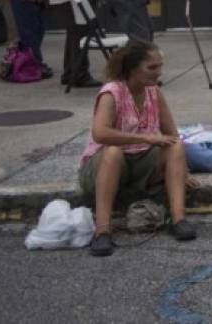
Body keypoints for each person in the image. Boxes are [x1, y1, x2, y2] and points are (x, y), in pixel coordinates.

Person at [79, 42, 197, 256]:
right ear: (133, 68)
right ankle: (102, 231)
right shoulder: (111, 92)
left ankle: (179, 219)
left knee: (175, 145)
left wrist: (182, 170)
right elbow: (100, 133)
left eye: (160, 67)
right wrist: (144, 137)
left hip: (141, 162)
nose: (158, 72)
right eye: (151, 68)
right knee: (113, 151)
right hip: (103, 166)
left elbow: (171, 134)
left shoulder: (154, 92)